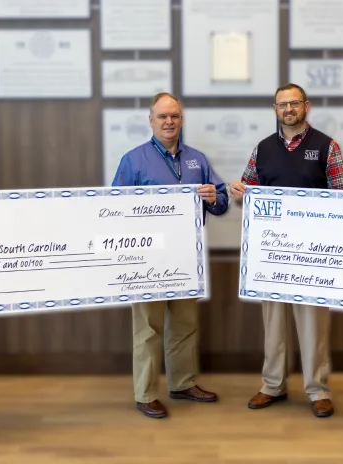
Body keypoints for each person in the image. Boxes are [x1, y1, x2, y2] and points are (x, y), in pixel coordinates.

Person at [229, 83, 343, 418]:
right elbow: (248, 192)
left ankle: (317, 389)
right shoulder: (263, 148)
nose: (288, 109)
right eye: (282, 104)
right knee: (274, 322)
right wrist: (241, 193)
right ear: (275, 109)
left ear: (306, 107)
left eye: (294, 103)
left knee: (312, 322)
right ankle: (272, 385)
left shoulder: (327, 146)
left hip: (313, 251)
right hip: (271, 250)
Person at [111, 92, 229, 419]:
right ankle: (146, 393)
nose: (169, 122)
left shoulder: (197, 160)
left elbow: (221, 202)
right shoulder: (133, 161)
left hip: (186, 257)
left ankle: (183, 382)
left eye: (174, 116)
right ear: (151, 121)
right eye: (162, 116)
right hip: (147, 259)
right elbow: (113, 209)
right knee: (147, 327)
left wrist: (212, 197)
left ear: (181, 120)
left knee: (184, 323)